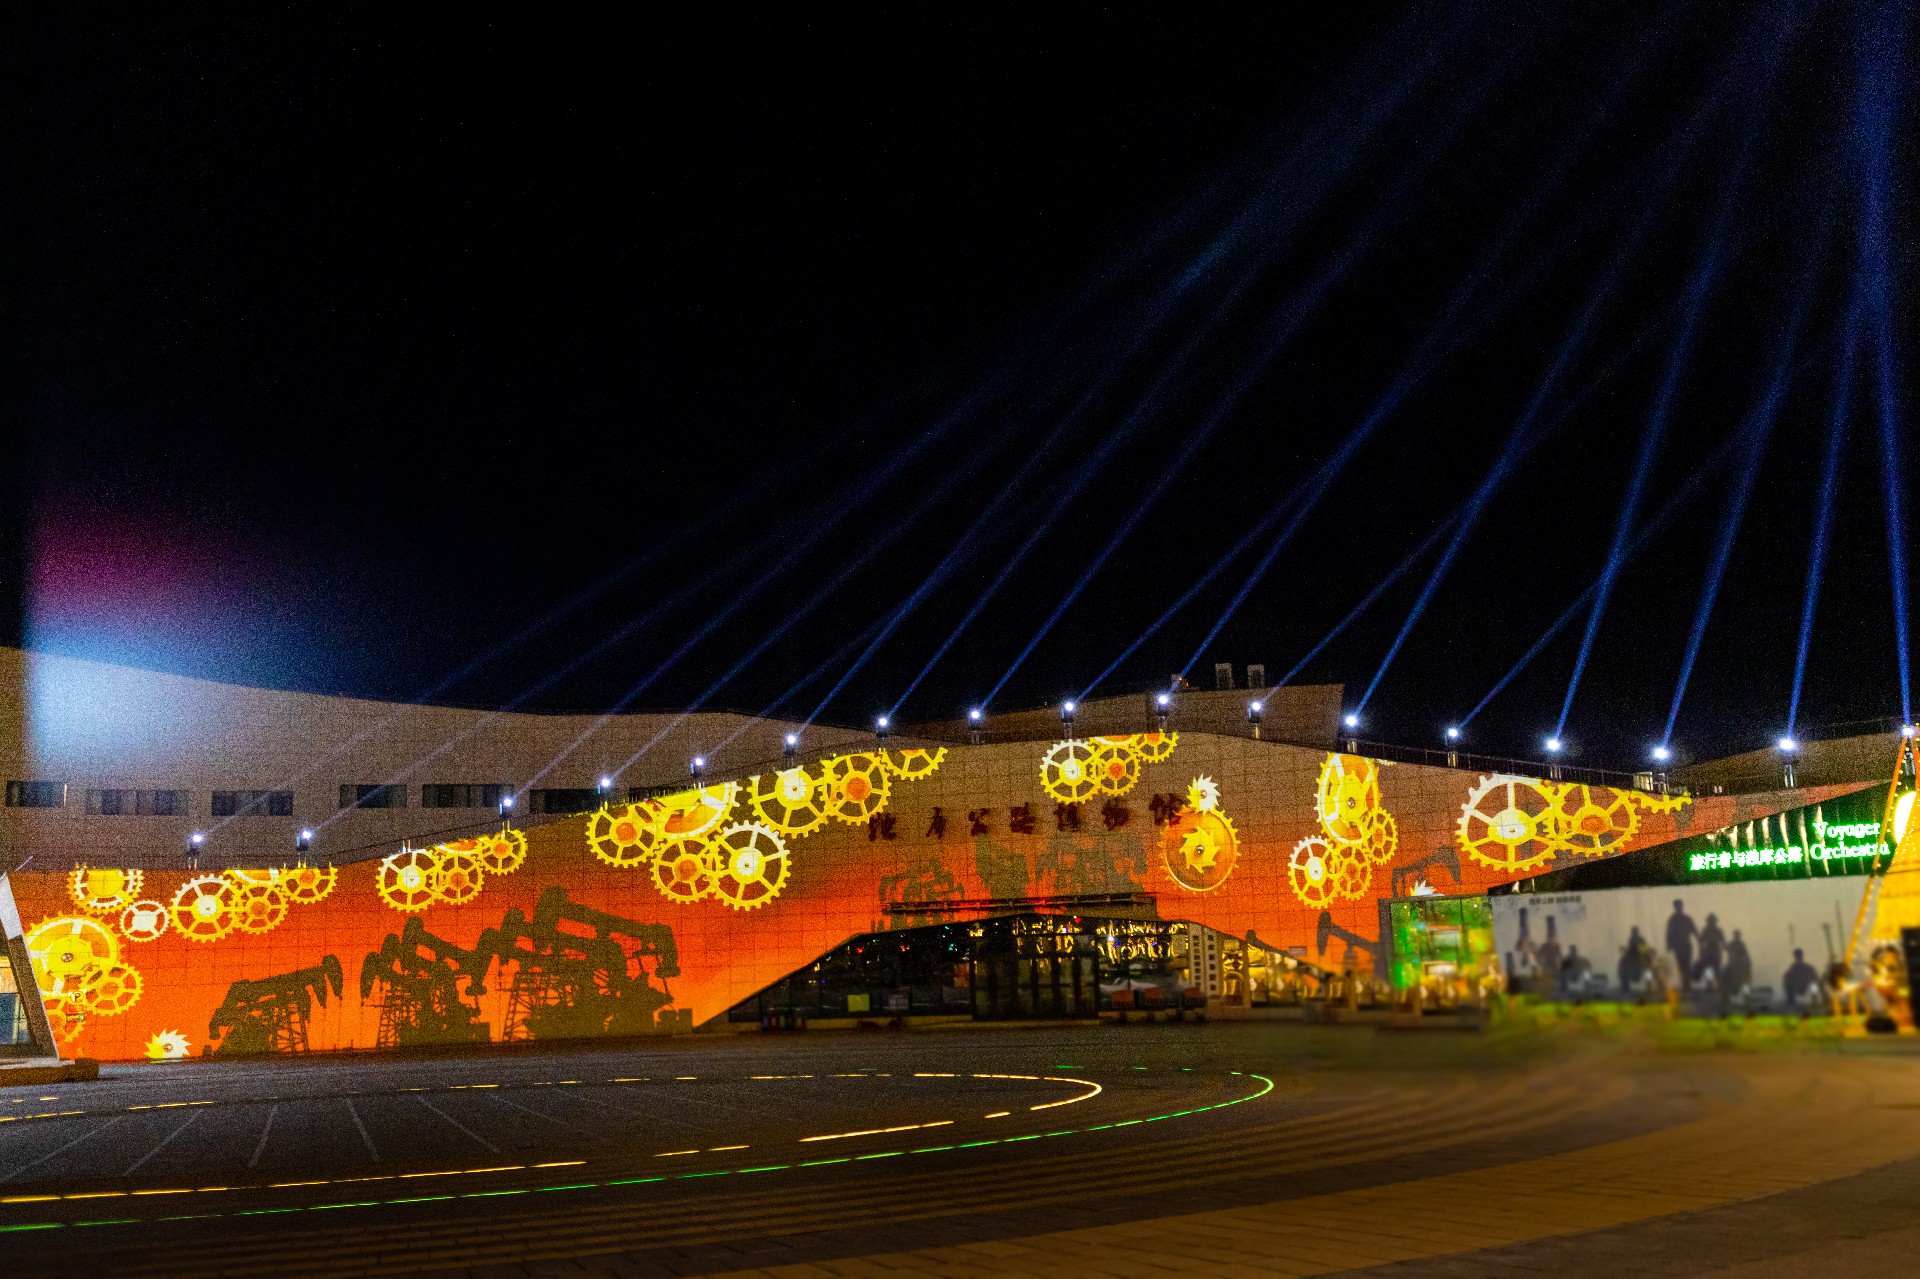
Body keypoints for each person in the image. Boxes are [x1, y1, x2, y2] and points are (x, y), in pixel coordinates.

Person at [1665, 900, 1699, 991]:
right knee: (1681, 964)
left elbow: (1694, 931)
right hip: (1678, 946)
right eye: (1677, 906)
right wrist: (1669, 945)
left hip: (1686, 945)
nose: (1679, 907)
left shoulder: (1687, 919)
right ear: (1675, 907)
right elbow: (1669, 933)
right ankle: (1685, 983)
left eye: (1680, 906)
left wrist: (1699, 941)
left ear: (1682, 906)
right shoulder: (1672, 920)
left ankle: (1687, 983)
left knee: (1686, 964)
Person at [1694, 913, 1726, 987]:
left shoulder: (1717, 931)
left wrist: (1726, 948)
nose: (1711, 923)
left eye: (1712, 921)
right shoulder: (1706, 930)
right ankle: (1710, 985)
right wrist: (1701, 951)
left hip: (1715, 951)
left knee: (1715, 968)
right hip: (1710, 951)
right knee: (1709, 969)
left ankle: (1718, 985)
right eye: (1710, 921)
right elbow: (1701, 941)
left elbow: (1723, 942)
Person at [1724, 929, 1752, 996]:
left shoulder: (1741, 944)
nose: (1737, 937)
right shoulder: (1731, 944)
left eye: (1738, 935)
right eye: (1736, 935)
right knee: (1726, 973)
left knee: (1745, 977)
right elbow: (1727, 949)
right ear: (1734, 936)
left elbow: (1746, 954)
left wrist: (1748, 962)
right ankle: (1728, 990)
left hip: (1740, 964)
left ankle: (1746, 992)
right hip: (1733, 964)